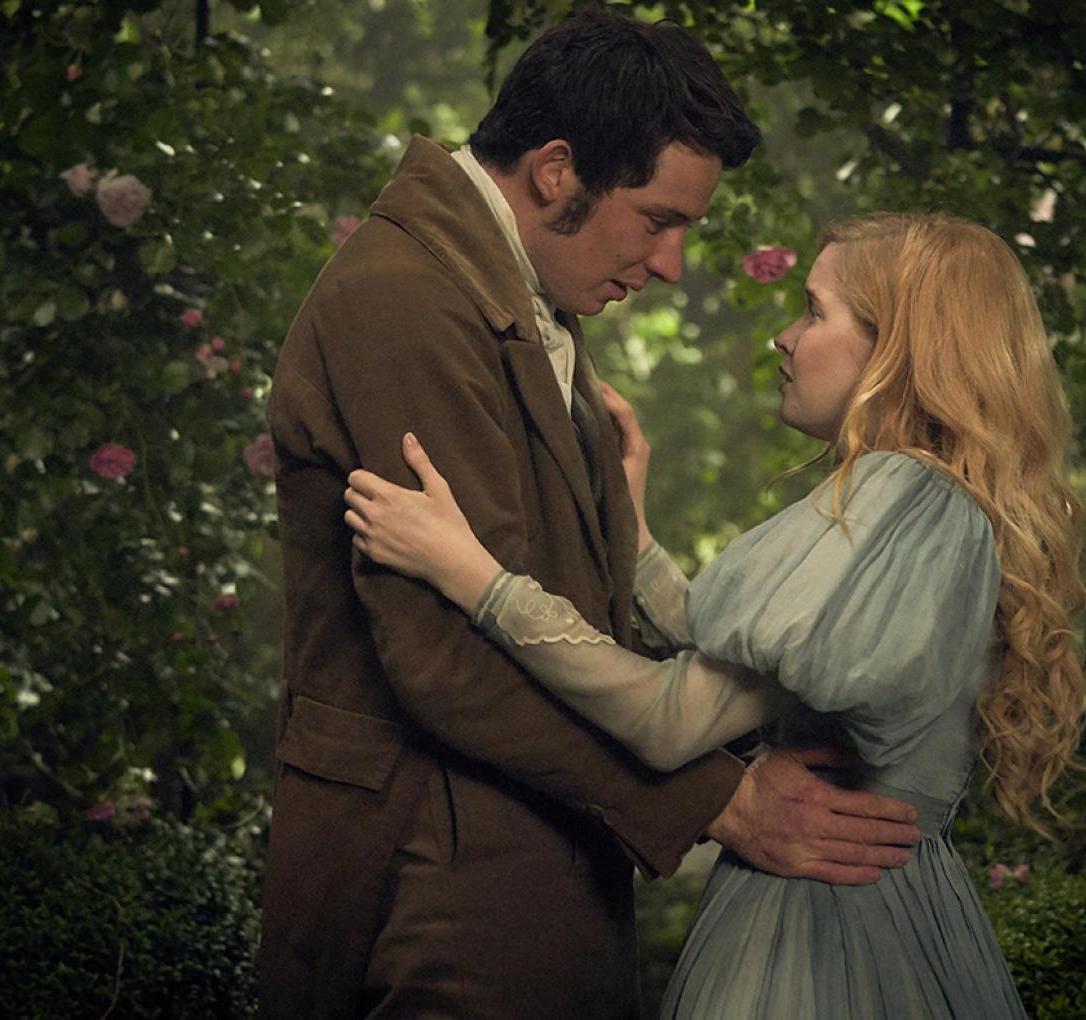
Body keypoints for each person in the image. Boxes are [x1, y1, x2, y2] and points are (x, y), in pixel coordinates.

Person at [257, 12, 924, 1018]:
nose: (669, 266)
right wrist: (723, 803)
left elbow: (559, 601)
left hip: (523, 867)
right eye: (658, 220)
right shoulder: (405, 297)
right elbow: (446, 658)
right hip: (437, 884)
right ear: (557, 171)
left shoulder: (518, 291)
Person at [341, 212, 1086, 1017]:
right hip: (898, 917)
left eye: (814, 310)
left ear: (898, 352)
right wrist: (633, 538)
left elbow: (668, 720)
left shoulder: (899, 498)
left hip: (822, 935)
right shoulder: (940, 511)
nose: (784, 336)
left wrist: (475, 576)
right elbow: (748, 666)